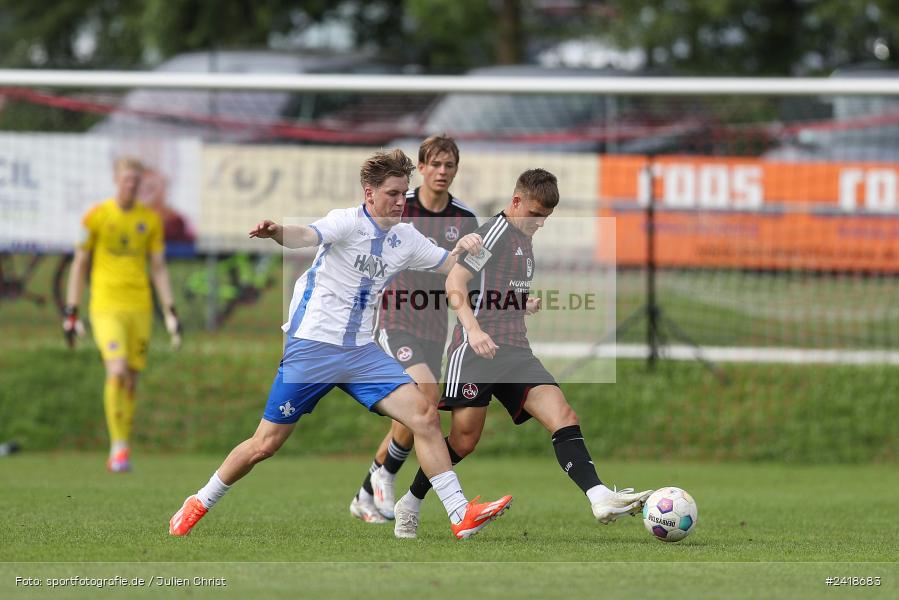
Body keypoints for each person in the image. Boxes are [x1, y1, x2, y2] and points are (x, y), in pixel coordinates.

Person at [168, 150, 512, 540]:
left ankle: (459, 513)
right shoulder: (346, 221)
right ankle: (199, 500)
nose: (401, 202)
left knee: (424, 414)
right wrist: (278, 231)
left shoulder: (405, 237)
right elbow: (305, 236)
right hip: (312, 348)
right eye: (393, 194)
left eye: (404, 194)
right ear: (370, 193)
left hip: (361, 353)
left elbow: (453, 266)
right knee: (264, 445)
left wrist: (477, 245)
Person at [392, 168, 652, 539]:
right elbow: (456, 283)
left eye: (545, 217)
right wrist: (474, 330)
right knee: (464, 440)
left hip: (515, 350)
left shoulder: (523, 235)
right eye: (535, 214)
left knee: (563, 413)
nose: (540, 223)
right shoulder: (494, 234)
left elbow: (491, 286)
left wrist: (517, 301)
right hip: (475, 353)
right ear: (516, 202)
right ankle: (411, 501)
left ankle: (599, 497)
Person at [350, 135, 478, 523]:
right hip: (395, 317)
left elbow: (475, 272)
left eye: (449, 166)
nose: (442, 172)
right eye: (435, 164)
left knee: (414, 412)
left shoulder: (464, 219)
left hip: (434, 324)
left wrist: (514, 301)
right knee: (425, 397)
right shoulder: (398, 206)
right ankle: (387, 479)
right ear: (421, 167)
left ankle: (365, 492)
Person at [63, 156, 182, 473]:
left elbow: (158, 268)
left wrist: (170, 312)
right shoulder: (96, 216)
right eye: (127, 179)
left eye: (137, 180)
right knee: (115, 371)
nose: (132, 185)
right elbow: (79, 264)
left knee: (130, 379)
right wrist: (71, 311)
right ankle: (117, 448)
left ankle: (123, 444)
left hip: (140, 308)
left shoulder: (150, 220)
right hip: (105, 306)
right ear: (116, 179)